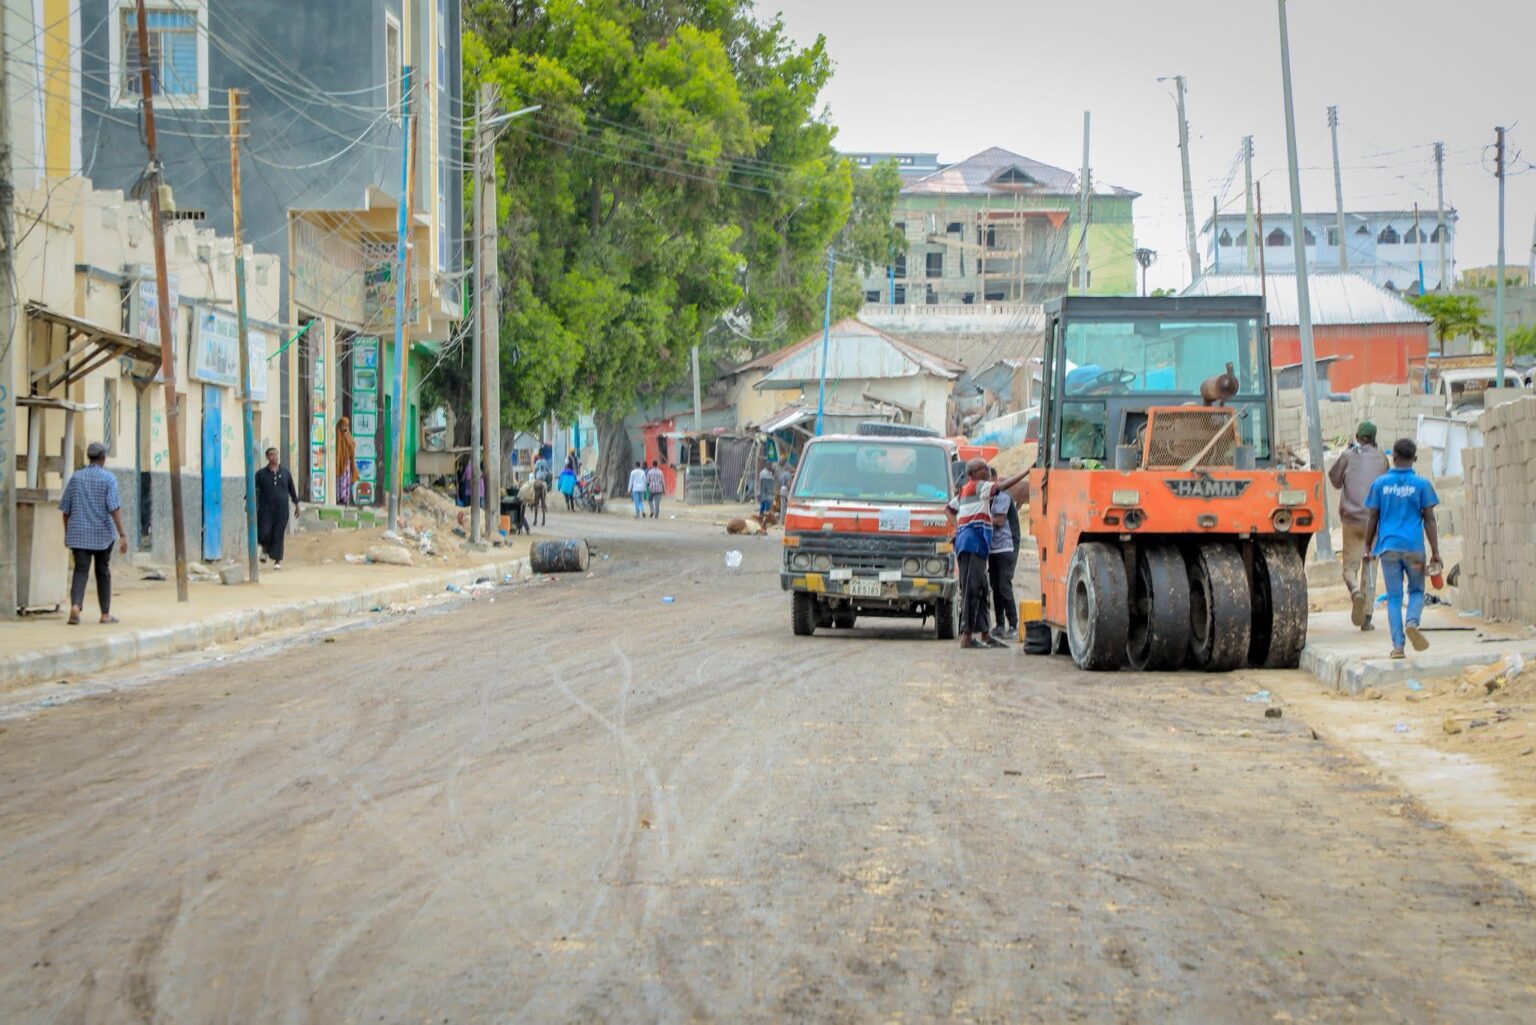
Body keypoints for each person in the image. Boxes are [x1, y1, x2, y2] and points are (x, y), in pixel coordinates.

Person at [1363, 438, 1441, 660]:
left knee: (1394, 597)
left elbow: (1373, 517)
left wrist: (1367, 546)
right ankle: (1412, 622)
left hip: (1388, 549)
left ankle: (1398, 646)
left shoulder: (1380, 484)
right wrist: (1435, 552)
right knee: (1416, 591)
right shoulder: (1422, 485)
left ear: (1393, 457)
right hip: (1414, 549)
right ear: (1414, 458)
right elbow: (1429, 519)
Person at [945, 459, 1029, 649]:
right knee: (972, 589)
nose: (988, 469)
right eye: (984, 468)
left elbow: (948, 510)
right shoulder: (979, 486)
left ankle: (985, 633)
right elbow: (1002, 486)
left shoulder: (966, 490)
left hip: (976, 545)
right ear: (974, 473)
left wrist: (960, 527)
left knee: (982, 589)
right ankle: (967, 636)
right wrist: (1024, 473)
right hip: (972, 544)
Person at [1329, 420, 1389, 631]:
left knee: (1350, 567)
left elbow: (1335, 481)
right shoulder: (1382, 457)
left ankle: (1354, 590)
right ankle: (1367, 618)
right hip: (1375, 521)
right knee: (1370, 568)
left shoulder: (1348, 456)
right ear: (1373, 438)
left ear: (1357, 437)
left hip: (1352, 520)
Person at [59, 441, 128, 625]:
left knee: (80, 570)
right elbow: (114, 508)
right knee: (102, 571)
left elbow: (65, 510)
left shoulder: (76, 478)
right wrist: (122, 534)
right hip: (102, 535)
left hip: (79, 534)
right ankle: (105, 614)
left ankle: (75, 606)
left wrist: (67, 533)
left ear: (89, 457)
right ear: (103, 458)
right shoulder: (109, 479)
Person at [987, 466, 1021, 640]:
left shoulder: (1003, 496)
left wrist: (979, 518)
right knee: (995, 587)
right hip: (992, 549)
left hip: (1006, 548)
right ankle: (1000, 624)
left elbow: (999, 521)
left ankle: (1013, 624)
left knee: (1004, 586)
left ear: (995, 479)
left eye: (988, 479)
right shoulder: (987, 497)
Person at [255, 447, 301, 570]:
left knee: (278, 533)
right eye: (271, 455)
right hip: (265, 509)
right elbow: (253, 489)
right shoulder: (261, 474)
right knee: (264, 531)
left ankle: (277, 561)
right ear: (267, 457)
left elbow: (292, 490)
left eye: (276, 454)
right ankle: (265, 549)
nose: (274, 457)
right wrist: (249, 504)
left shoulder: (285, 473)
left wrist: (297, 504)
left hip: (282, 510)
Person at [335, 417, 358, 506]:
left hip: (346, 463)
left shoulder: (348, 435)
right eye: (343, 426)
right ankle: (339, 498)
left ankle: (345, 499)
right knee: (339, 481)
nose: (345, 428)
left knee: (346, 481)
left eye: (346, 426)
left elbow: (352, 446)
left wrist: (346, 436)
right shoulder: (337, 435)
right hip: (339, 463)